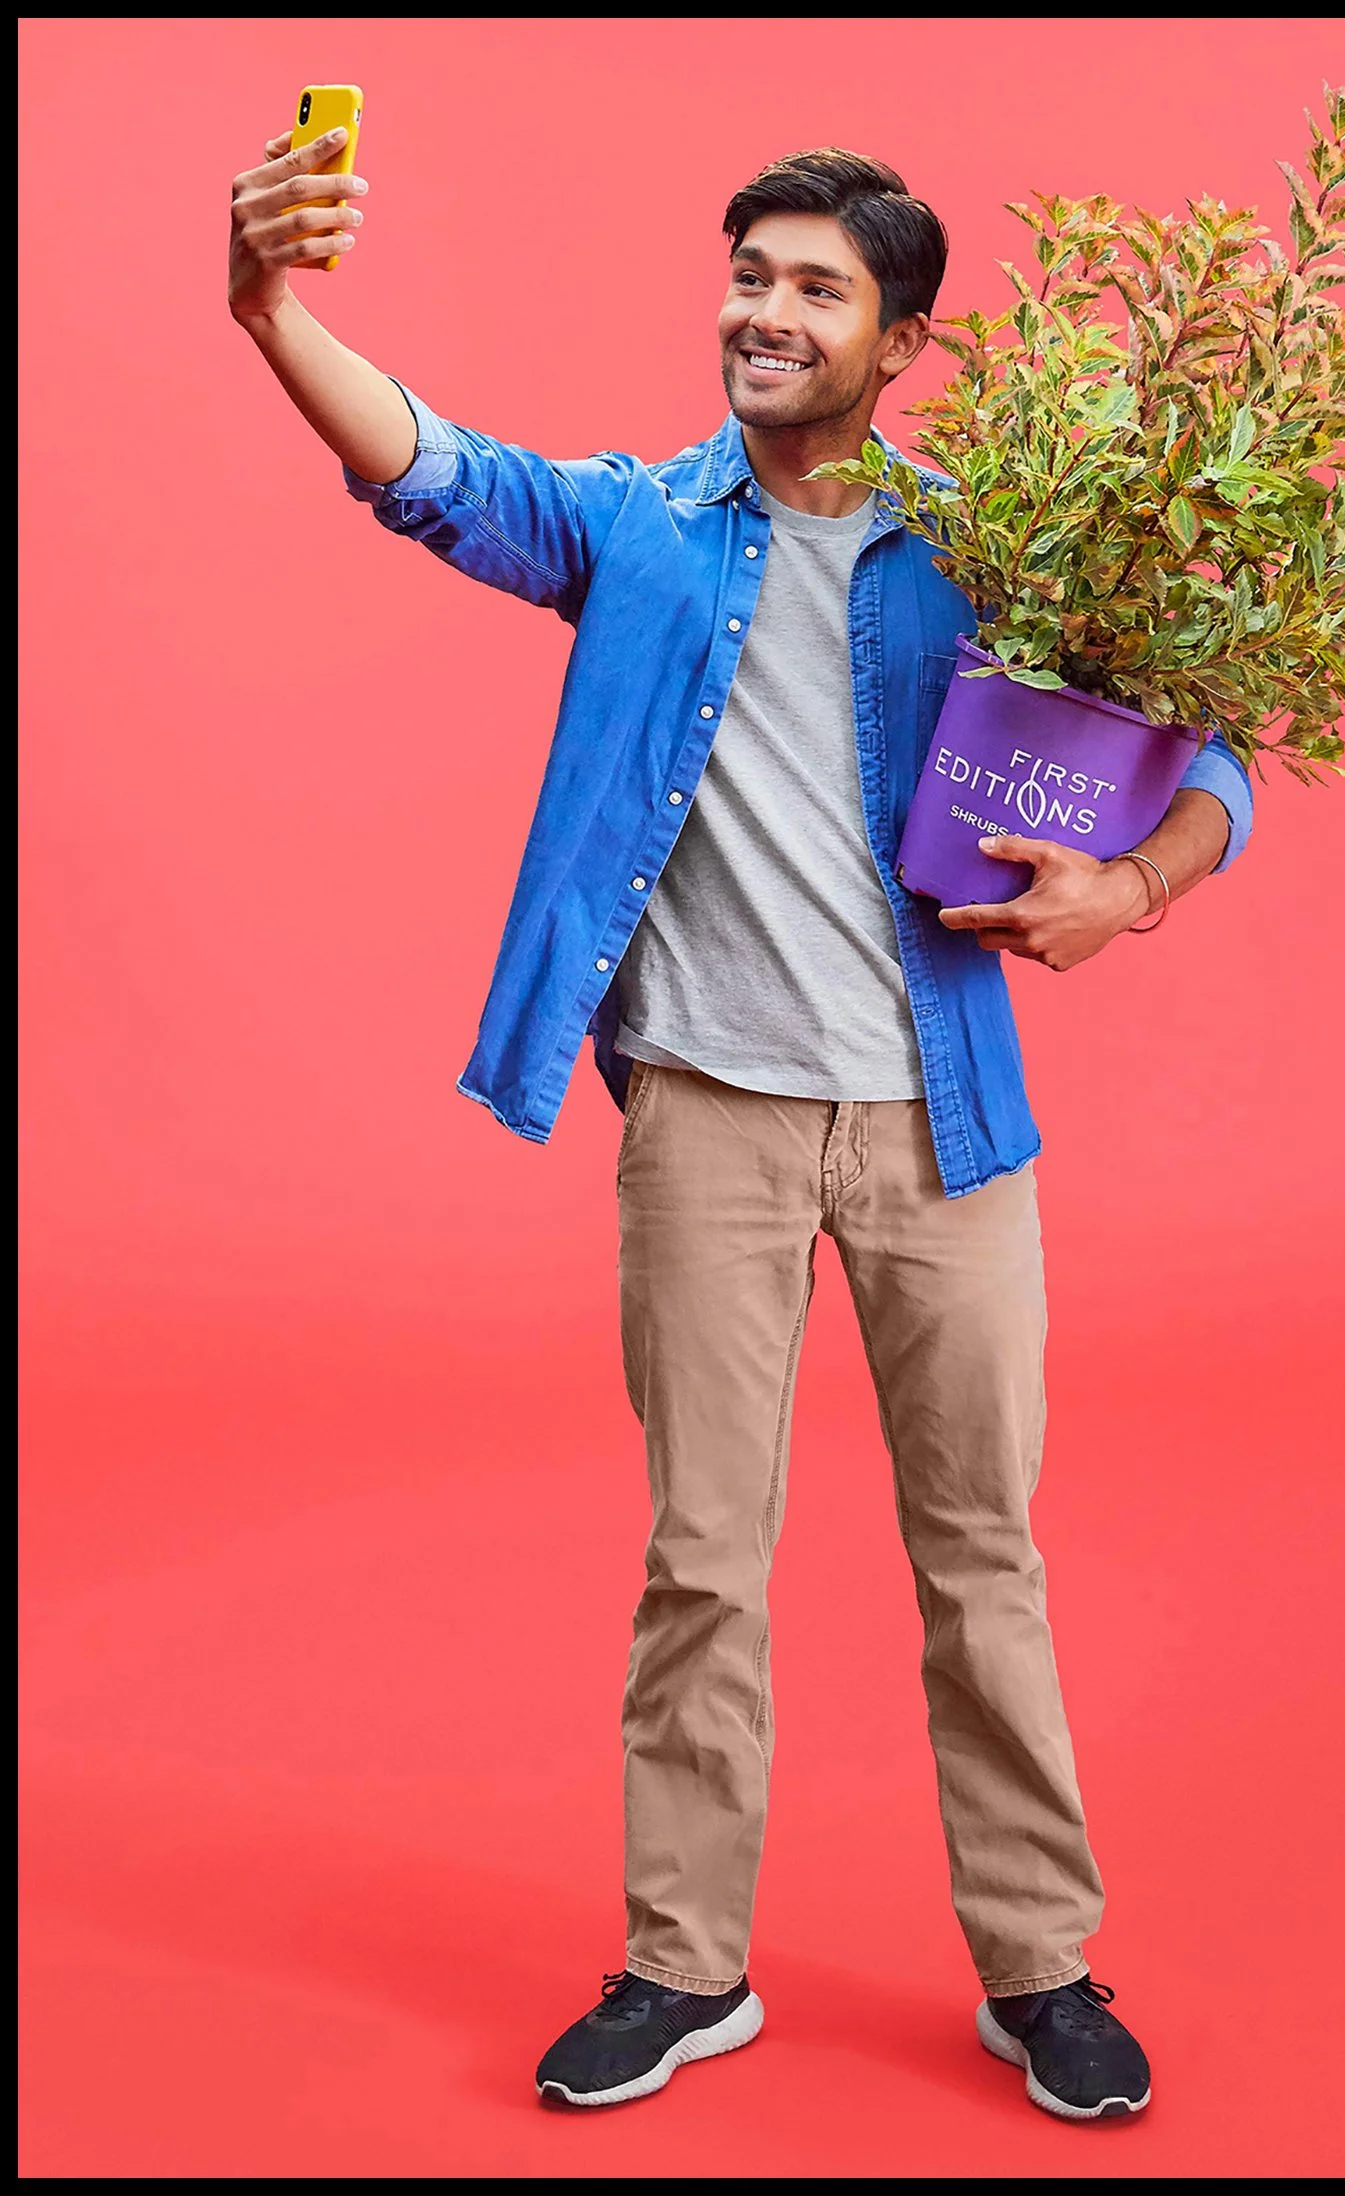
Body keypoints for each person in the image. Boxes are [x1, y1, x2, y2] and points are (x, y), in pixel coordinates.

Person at [227, 128, 1253, 2124]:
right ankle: (683, 1964)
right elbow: (431, 471)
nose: (763, 315)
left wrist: (1129, 890)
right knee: (703, 1557)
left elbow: (1211, 755)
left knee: (985, 1553)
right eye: (748, 275)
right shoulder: (641, 528)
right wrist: (272, 308)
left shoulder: (1000, 556)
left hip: (941, 1127)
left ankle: (1041, 1964)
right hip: (704, 1122)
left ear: (902, 339)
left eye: (814, 289)